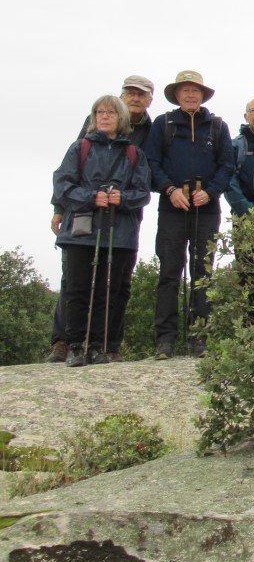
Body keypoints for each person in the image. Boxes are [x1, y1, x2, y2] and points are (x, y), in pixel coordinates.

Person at [48, 74, 156, 363]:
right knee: (77, 287)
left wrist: (123, 198)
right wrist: (87, 197)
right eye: (100, 112)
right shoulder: (80, 147)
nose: (105, 117)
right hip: (82, 227)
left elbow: (143, 191)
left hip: (119, 229)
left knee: (111, 291)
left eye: (110, 112)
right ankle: (72, 346)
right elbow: (63, 182)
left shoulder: (135, 152)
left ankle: (100, 345)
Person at [143, 70, 235, 359]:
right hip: (172, 206)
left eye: (196, 90)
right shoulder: (163, 124)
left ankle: (200, 338)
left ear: (202, 95)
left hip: (206, 207)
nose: (191, 95)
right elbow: (151, 162)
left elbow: (227, 166)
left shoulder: (217, 126)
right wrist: (170, 190)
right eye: (185, 90)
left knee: (202, 273)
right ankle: (165, 340)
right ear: (177, 95)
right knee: (169, 271)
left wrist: (211, 191)